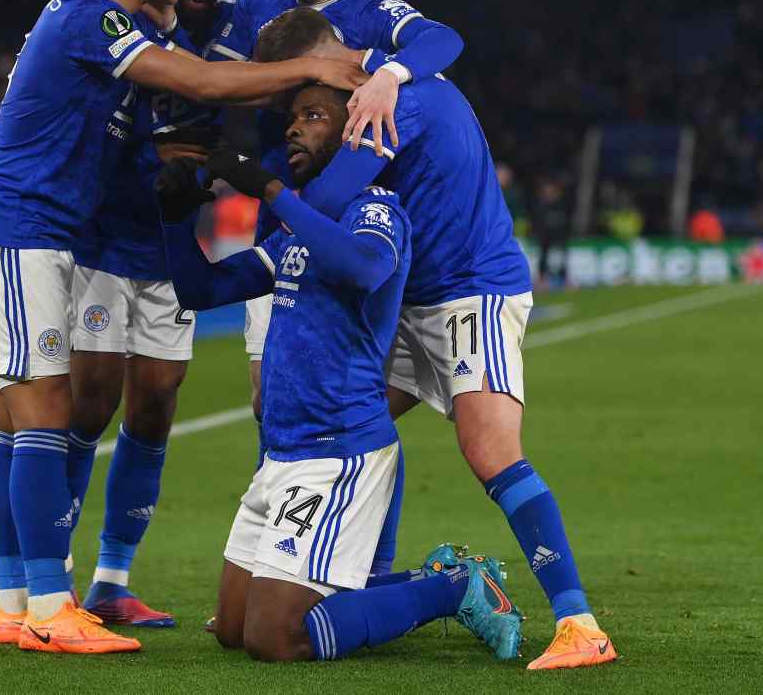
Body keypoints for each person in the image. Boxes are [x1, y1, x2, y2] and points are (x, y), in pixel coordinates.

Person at [0, 0, 367, 656]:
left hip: (28, 236)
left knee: (16, 423)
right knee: (41, 415)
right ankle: (49, 605)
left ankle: (18, 605)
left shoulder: (118, 21)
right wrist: (311, 66)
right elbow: (200, 85)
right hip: (18, 232)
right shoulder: (92, 17)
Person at [253, 8, 618, 670]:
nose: (292, 100)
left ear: (326, 58)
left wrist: (259, 180)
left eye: (298, 81)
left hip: (468, 292)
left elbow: (330, 195)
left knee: (490, 451)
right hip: (412, 296)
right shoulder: (381, 87)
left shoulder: (397, 99)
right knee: (344, 415)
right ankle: (357, 579)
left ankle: (579, 622)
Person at [154, 84, 523, 663]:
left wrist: (271, 191)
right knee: (233, 628)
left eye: (314, 116)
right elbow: (201, 289)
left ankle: (456, 587)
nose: (293, 129)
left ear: (352, 133)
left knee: (274, 639)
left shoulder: (376, 209)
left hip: (339, 450)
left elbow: (362, 266)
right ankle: (431, 580)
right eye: (290, 120)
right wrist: (176, 217)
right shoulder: (302, 226)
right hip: (282, 454)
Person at [204, 0, 464, 556]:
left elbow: (443, 43)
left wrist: (389, 72)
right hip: (278, 221)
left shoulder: (376, 12)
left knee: (360, 412)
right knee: (274, 402)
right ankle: (278, 553)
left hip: (353, 232)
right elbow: (219, 78)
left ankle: (367, 564)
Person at [67, 0, 261, 628]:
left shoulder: (236, 23)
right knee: (89, 403)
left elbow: (238, 121)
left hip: (172, 242)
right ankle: (57, 578)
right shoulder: (130, 18)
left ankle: (114, 578)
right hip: (103, 236)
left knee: (155, 404)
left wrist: (207, 168)